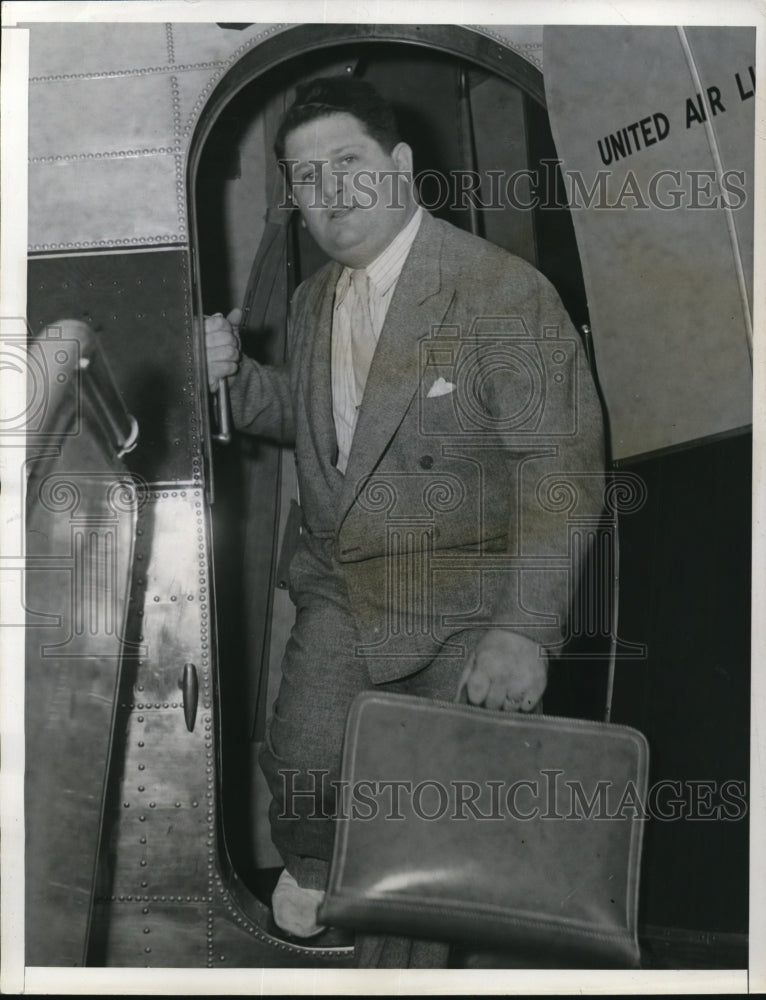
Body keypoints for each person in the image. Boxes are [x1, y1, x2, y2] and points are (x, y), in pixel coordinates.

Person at [205, 76, 605, 965]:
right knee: (302, 771)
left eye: (347, 162)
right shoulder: (315, 299)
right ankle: (325, 879)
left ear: (400, 164)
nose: (330, 190)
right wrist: (230, 380)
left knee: (439, 828)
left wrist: (524, 630)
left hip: (467, 600)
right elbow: (320, 421)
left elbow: (560, 471)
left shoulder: (499, 291)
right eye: (306, 177)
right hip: (344, 594)